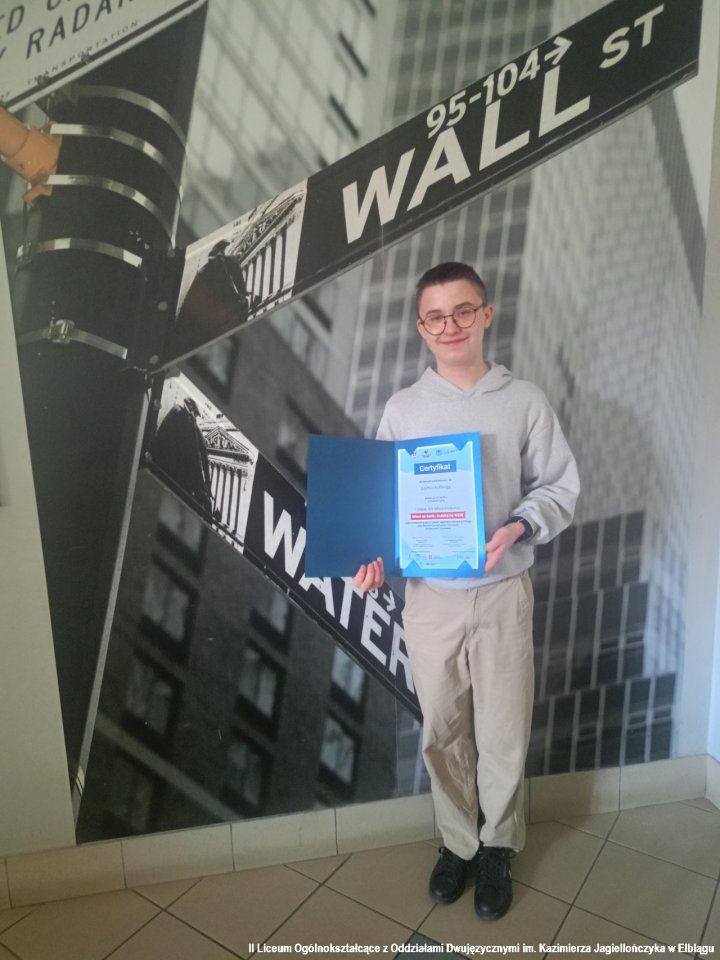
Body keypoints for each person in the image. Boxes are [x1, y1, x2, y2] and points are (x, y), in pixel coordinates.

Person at [354, 262, 579, 921]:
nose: (449, 325)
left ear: (486, 315)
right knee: (443, 727)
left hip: (504, 592)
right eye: (435, 316)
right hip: (430, 598)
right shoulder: (403, 410)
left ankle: (498, 846)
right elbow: (380, 506)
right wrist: (372, 558)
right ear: (421, 328)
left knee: (504, 728)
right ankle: (458, 842)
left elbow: (559, 487)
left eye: (462, 311)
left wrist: (518, 525)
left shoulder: (524, 400)